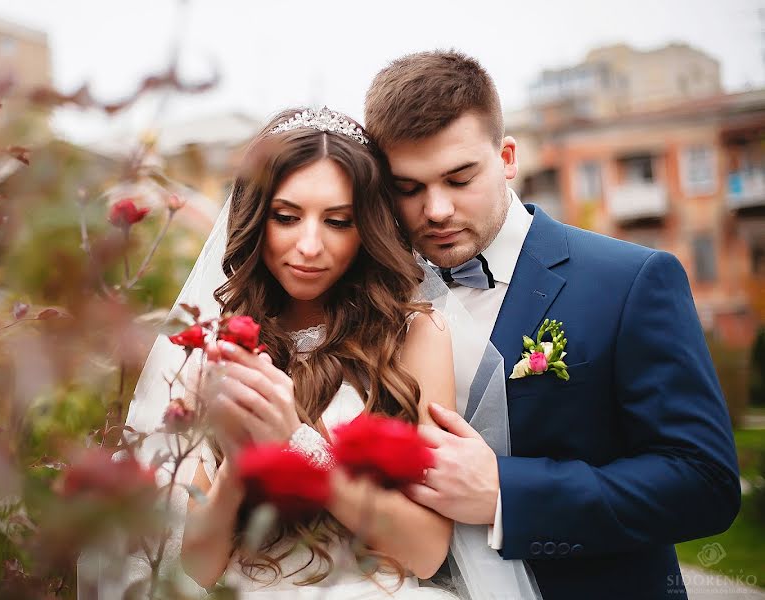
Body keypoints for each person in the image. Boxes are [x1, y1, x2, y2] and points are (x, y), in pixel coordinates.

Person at [108, 107, 540, 599]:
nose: (310, 245)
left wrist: (296, 443)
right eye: (287, 217)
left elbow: (425, 551)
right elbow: (198, 568)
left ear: (367, 228)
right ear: (255, 218)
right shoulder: (213, 348)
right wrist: (239, 466)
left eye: (338, 221)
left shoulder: (414, 334)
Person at [364, 50, 741, 600]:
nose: (437, 209)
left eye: (459, 177)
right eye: (409, 188)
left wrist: (505, 494)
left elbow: (703, 484)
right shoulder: (375, 299)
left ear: (508, 156)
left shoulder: (631, 280)